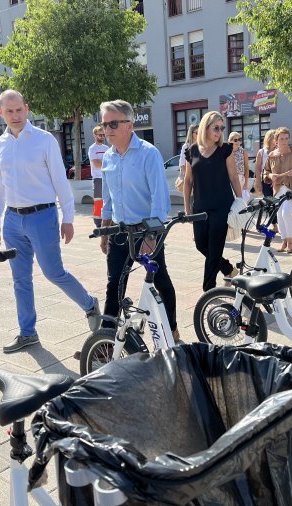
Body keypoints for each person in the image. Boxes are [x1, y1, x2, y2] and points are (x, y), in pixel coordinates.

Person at [0, 89, 101, 353]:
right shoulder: (1, 144)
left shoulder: (44, 140)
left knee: (53, 272)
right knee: (20, 279)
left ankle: (89, 304)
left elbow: (61, 181)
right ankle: (28, 333)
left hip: (43, 216)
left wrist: (68, 218)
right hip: (13, 221)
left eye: (19, 110)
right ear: (1, 112)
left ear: (26, 109)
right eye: (9, 111)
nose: (15, 116)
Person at [98, 99, 181, 342]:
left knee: (161, 280)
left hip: (146, 231)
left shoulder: (148, 153)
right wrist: (105, 229)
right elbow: (108, 196)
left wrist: (152, 235)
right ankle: (106, 339)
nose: (107, 130)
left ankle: (172, 329)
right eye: (104, 124)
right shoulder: (108, 157)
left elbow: (160, 199)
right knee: (114, 285)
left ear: (129, 124)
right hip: (119, 232)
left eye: (113, 123)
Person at [183, 111, 242, 291]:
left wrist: (240, 202)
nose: (219, 131)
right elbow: (188, 181)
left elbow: (233, 177)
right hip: (200, 207)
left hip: (221, 206)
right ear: (205, 128)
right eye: (215, 127)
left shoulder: (225, 149)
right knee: (201, 245)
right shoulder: (192, 150)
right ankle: (229, 269)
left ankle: (208, 291)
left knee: (214, 249)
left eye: (221, 128)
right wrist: (187, 209)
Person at [263, 127, 292, 253]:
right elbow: (265, 172)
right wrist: (270, 175)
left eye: (286, 138)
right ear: (276, 140)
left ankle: (291, 242)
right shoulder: (271, 155)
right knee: (278, 214)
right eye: (281, 139)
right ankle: (284, 241)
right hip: (278, 189)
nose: (284, 141)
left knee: (286, 213)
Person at [254, 128, 278, 232]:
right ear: (269, 138)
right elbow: (258, 167)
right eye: (274, 137)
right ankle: (274, 225)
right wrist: (258, 181)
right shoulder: (262, 152)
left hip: (278, 180)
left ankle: (279, 223)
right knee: (269, 203)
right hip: (266, 180)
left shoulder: (278, 150)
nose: (275, 139)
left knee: (279, 203)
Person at [88, 124, 108, 228]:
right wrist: (107, 164)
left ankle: (108, 220)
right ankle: (98, 223)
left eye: (103, 135)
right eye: (100, 135)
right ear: (95, 135)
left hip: (107, 178)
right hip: (98, 179)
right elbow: (96, 164)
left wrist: (103, 163)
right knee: (98, 200)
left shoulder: (107, 148)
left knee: (108, 200)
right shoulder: (92, 149)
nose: (102, 137)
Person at [228, 131, 251, 201]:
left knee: (240, 201)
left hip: (240, 179)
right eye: (235, 140)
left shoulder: (243, 152)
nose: (238, 142)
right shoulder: (227, 151)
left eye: (239, 140)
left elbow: (247, 168)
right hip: (228, 178)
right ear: (230, 141)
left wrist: (246, 183)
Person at [175, 124, 198, 192]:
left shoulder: (202, 145)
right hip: (191, 181)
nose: (199, 135)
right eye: (197, 133)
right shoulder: (186, 146)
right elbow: (182, 164)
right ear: (191, 134)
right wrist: (189, 178)